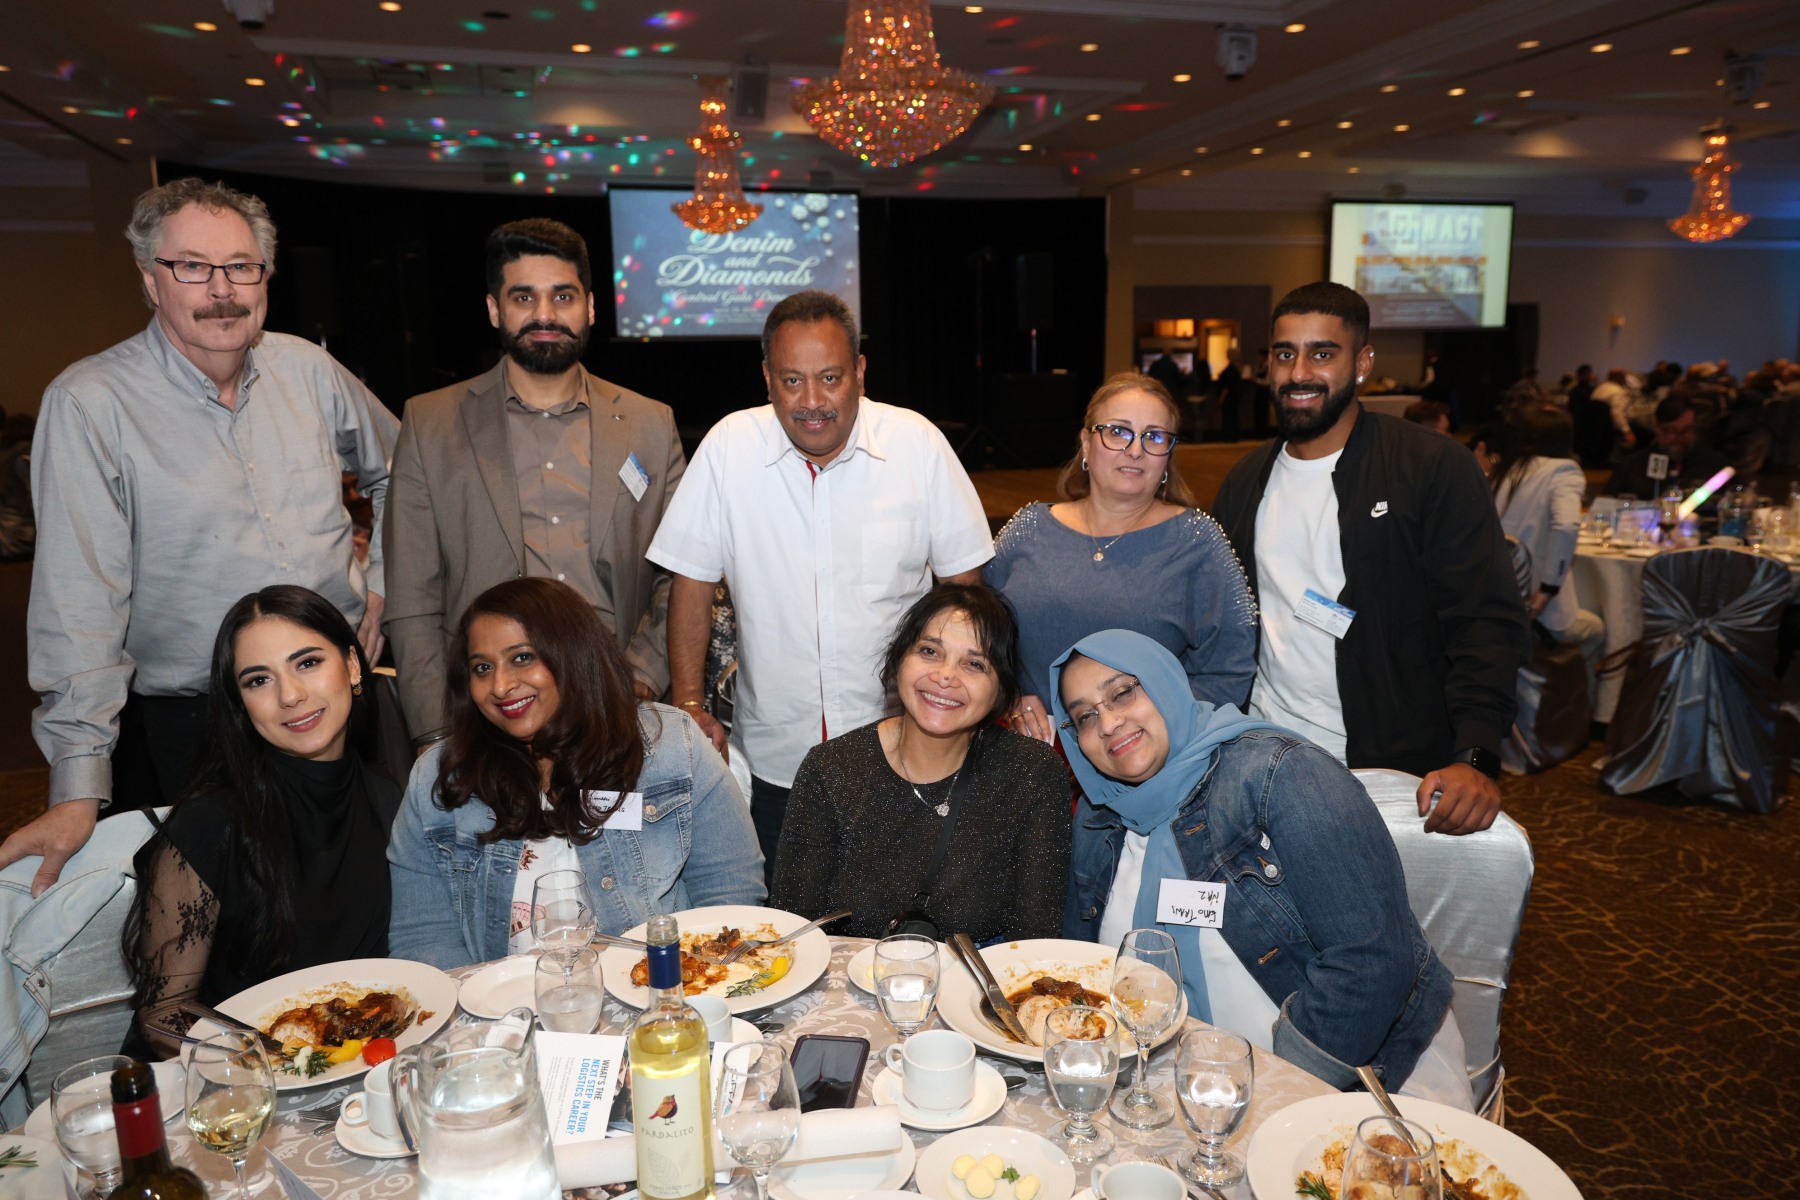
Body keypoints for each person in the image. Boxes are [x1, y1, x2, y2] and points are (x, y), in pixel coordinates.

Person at [3, 177, 397, 898]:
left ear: (265, 276)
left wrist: (382, 586)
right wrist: (78, 785)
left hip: (339, 706)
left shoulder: (309, 370)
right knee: (234, 931)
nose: (222, 290)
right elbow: (77, 603)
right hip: (200, 729)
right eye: (192, 266)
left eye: (241, 266)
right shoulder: (90, 403)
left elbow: (404, 472)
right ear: (149, 280)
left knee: (367, 900)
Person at [647, 291, 993, 883]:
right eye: (792, 381)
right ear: (767, 378)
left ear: (860, 371)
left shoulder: (917, 444)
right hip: (775, 760)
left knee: (907, 918)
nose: (812, 401)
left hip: (907, 751)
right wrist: (689, 704)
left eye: (830, 378)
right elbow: (691, 582)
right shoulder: (729, 447)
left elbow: (967, 593)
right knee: (784, 920)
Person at [1054, 630, 1473, 1109]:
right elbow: (1083, 967)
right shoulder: (1098, 818)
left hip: (1353, 1077)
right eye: (1085, 716)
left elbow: (1370, 962)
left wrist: (1278, 1093)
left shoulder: (1281, 776)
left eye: (1122, 693)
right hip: (1181, 1085)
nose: (1109, 722)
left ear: (1165, 682)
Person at [1210, 282, 1526, 836]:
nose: (1299, 372)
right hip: (1263, 757)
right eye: (1284, 354)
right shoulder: (1244, 482)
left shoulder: (1430, 467)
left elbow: (1484, 620)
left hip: (1390, 770)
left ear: (1362, 363)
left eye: (1322, 353)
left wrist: (1474, 754)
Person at [384, 218, 685, 749]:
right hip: (488, 716)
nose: (545, 314)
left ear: (590, 307)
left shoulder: (650, 424)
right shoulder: (431, 424)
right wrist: (436, 735)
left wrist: (638, 679)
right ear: (494, 309)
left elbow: (678, 574)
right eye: (524, 297)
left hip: (617, 708)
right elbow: (412, 597)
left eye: (562, 296)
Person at [387, 577, 763, 969]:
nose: (500, 685)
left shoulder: (670, 747)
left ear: (573, 655)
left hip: (658, 991)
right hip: (500, 1002)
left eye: (522, 658)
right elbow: (423, 939)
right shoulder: (440, 780)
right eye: (482, 667)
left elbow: (730, 894)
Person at [126, 586, 399, 1052]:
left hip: (367, 1066)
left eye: (307, 663)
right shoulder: (208, 824)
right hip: (231, 1079)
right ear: (240, 703)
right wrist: (281, 1063)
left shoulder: (390, 798)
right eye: (258, 680)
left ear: (353, 665)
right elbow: (163, 1014)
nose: (290, 695)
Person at [769, 583, 1070, 942]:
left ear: (1000, 691)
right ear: (899, 660)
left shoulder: (1033, 775)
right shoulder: (831, 769)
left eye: (974, 664)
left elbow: (1036, 942)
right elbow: (793, 931)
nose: (946, 676)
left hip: (982, 976)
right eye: (930, 651)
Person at [985, 372, 1255, 742]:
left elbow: (1229, 669)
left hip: (1139, 758)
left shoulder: (1197, 541)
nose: (1136, 450)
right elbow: (978, 632)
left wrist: (1151, 736)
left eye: (1154, 437)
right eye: (1118, 431)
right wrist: (1006, 693)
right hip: (1020, 750)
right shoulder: (1029, 528)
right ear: (1086, 442)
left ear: (1168, 455)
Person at [1490, 405, 1606, 678]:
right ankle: (1582, 704)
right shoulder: (1563, 470)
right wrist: (1548, 590)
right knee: (1599, 630)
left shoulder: (1505, 471)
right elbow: (1566, 525)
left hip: (1495, 598)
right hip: (1534, 609)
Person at [1603, 395, 1731, 501]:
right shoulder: (1631, 467)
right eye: (1671, 431)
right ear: (1657, 428)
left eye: (1687, 430)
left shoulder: (1716, 465)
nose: (1679, 437)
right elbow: (1607, 504)